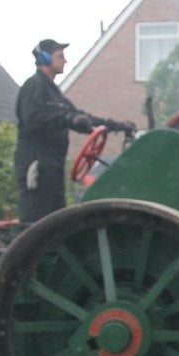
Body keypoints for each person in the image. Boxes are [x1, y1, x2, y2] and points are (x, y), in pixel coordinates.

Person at [14, 39, 135, 223]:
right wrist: (68, 119)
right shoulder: (33, 86)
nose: (65, 61)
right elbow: (33, 118)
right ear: (44, 58)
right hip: (37, 168)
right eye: (60, 56)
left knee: (54, 221)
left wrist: (117, 125)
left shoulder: (54, 93)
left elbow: (80, 117)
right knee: (36, 221)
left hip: (53, 169)